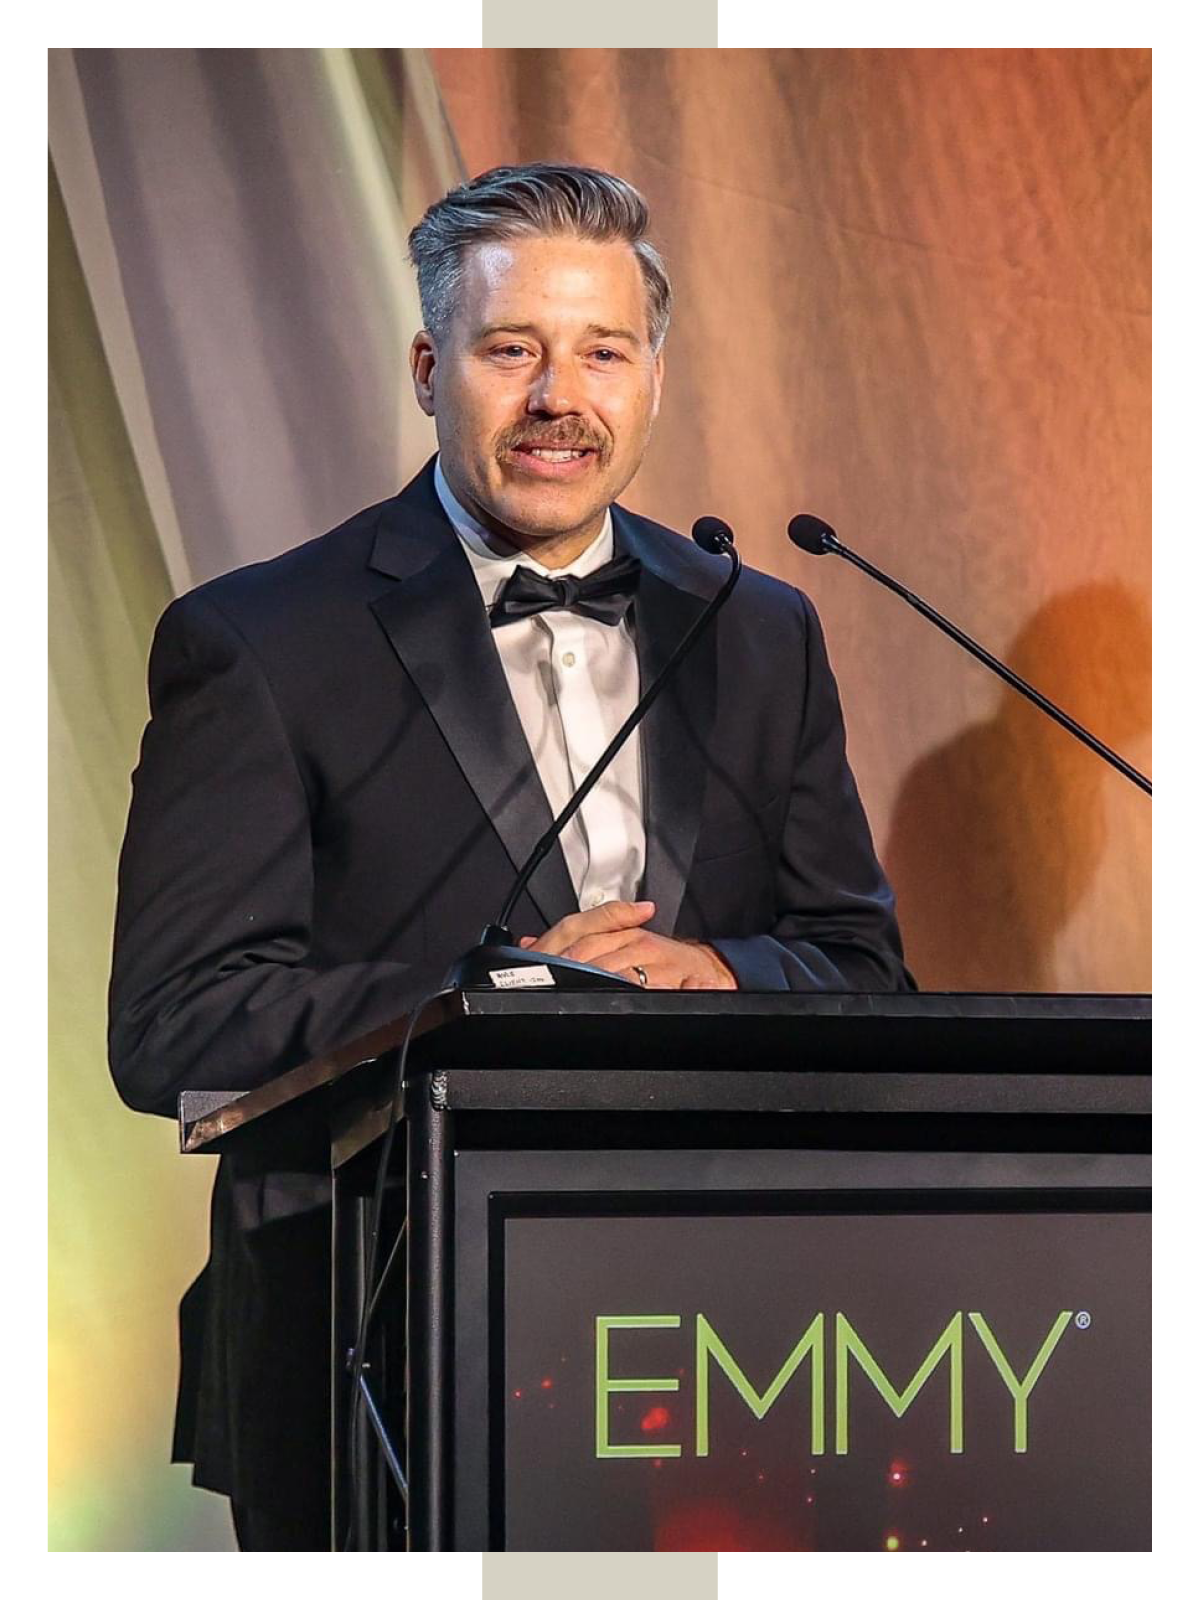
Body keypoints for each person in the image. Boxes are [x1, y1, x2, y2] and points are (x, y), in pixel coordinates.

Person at [108, 163, 913, 1551]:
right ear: (430, 367)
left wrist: (716, 971)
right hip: (379, 1360)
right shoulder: (258, 642)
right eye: (511, 349)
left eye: (603, 349)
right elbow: (173, 1023)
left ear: (654, 372)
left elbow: (860, 966)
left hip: (725, 1347)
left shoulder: (758, 624)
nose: (561, 395)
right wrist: (494, 998)